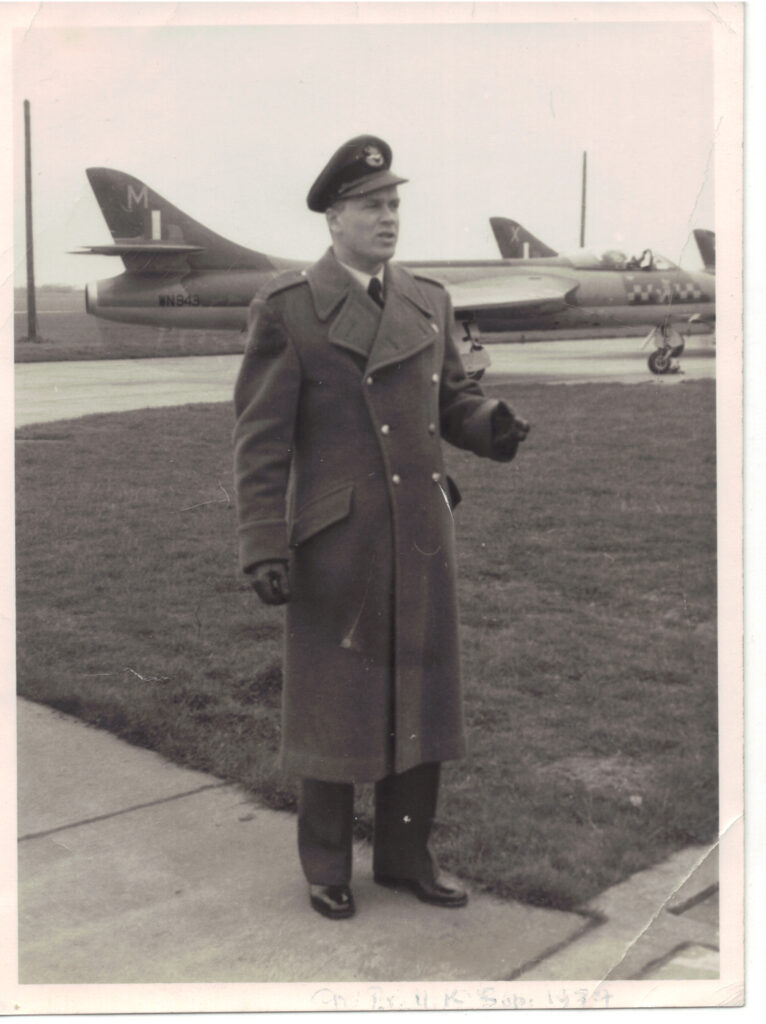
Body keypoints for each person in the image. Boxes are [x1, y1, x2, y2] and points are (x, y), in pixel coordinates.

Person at [233, 135, 529, 920]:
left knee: (420, 696)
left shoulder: (428, 300)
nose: (388, 217)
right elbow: (261, 440)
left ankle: (406, 859)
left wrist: (489, 423)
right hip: (339, 542)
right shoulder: (289, 308)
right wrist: (263, 543)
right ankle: (326, 865)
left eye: (394, 203)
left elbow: (450, 400)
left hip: (422, 533)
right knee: (335, 703)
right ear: (335, 218)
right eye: (371, 205)